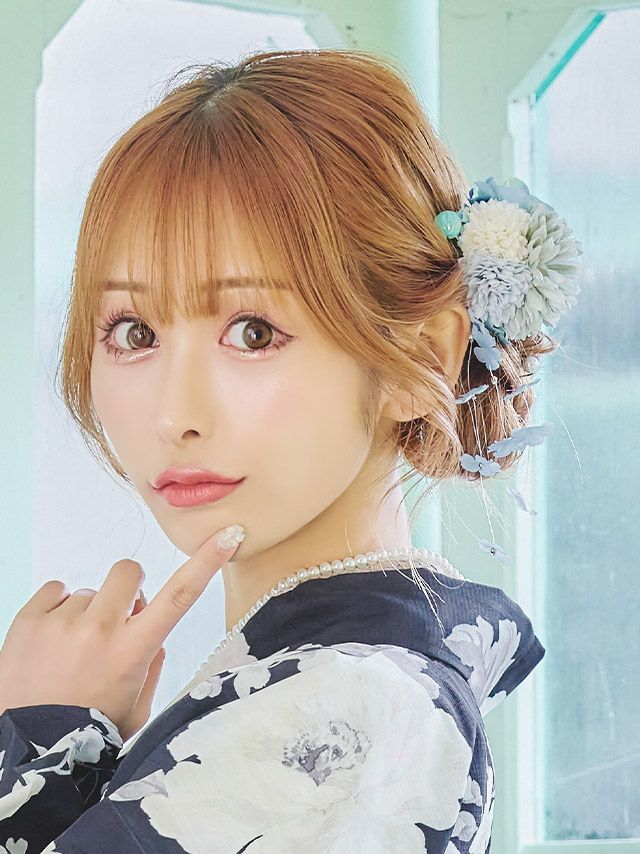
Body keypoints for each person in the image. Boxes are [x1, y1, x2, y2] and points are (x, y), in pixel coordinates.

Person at [0, 48, 582, 853]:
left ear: (419, 360)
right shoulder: (337, 678)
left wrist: (43, 738)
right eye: (134, 332)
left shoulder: (344, 714)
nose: (175, 414)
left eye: (253, 332)